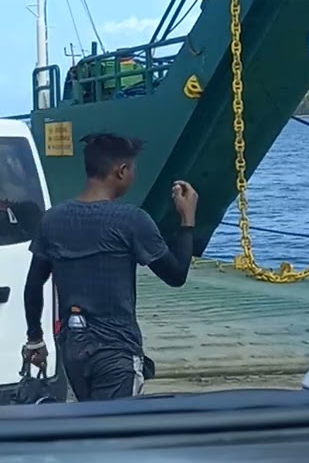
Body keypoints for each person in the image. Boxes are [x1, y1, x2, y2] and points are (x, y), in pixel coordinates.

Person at [21, 133, 198, 401]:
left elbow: (33, 285)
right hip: (117, 351)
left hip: (74, 349)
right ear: (121, 171)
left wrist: (35, 338)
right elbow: (176, 275)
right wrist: (187, 220)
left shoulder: (52, 220)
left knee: (91, 426)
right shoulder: (131, 221)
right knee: (116, 431)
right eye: (132, 170)